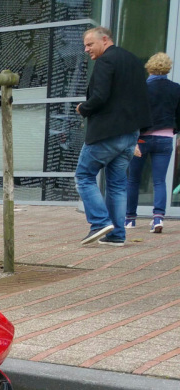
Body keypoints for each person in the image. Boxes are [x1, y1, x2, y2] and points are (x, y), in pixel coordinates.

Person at [76, 27, 152, 247]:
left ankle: (100, 223)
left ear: (105, 40)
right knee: (117, 184)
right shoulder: (134, 62)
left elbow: (100, 97)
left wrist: (84, 108)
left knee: (84, 175)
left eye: (90, 44)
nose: (86, 49)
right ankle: (117, 235)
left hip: (108, 132)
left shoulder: (105, 61)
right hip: (131, 134)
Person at [125, 52, 180, 234]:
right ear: (167, 68)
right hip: (165, 139)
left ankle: (130, 219)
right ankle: (157, 218)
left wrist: (132, 139)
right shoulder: (176, 88)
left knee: (133, 179)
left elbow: (133, 115)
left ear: (149, 67)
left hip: (141, 138)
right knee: (159, 181)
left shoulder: (140, 88)